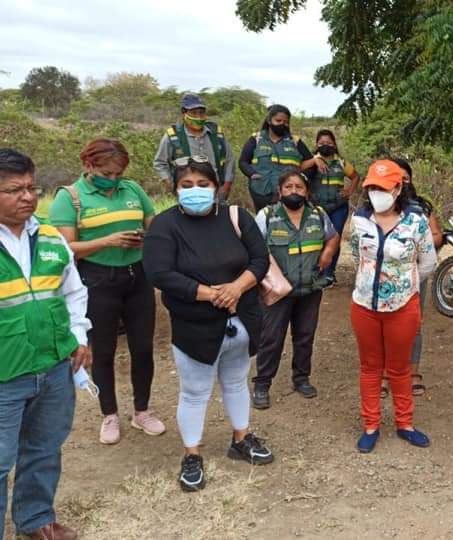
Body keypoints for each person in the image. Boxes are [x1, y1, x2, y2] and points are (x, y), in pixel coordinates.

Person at [143, 157, 273, 492]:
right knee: (195, 392)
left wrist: (236, 288)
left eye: (203, 184)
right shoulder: (164, 225)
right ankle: (192, 455)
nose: (195, 190)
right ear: (175, 189)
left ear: (216, 186)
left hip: (241, 320)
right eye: (186, 185)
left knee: (236, 382)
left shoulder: (236, 217)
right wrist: (210, 294)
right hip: (194, 327)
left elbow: (260, 259)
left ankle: (241, 438)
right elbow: (160, 274)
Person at [0, 148, 91, 540]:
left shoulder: (51, 237)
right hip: (5, 373)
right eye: (14, 190)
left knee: (44, 446)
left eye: (31, 188)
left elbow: (73, 292)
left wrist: (79, 336)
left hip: (54, 368)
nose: (27, 197)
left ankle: (36, 518)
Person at [49, 138, 165, 445]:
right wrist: (108, 241)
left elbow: (154, 226)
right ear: (88, 165)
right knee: (103, 351)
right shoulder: (70, 198)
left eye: (118, 173)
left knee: (143, 348)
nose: (113, 179)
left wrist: (146, 238)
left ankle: (142, 411)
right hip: (98, 280)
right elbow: (66, 249)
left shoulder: (133, 190)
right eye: (106, 173)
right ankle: (109, 414)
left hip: (138, 277)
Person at [349, 159, 437, 453]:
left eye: (384, 188)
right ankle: (371, 425)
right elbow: (356, 257)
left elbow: (428, 262)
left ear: (398, 188)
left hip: (402, 307)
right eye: (372, 187)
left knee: (400, 368)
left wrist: (403, 285)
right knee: (370, 367)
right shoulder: (359, 220)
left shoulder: (416, 222)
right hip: (364, 306)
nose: (377, 193)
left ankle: (405, 424)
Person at [252, 171, 339, 409]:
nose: (294, 191)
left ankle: (301, 378)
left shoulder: (318, 214)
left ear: (307, 191)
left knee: (305, 336)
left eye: (299, 187)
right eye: (288, 187)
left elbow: (333, 237)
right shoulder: (267, 216)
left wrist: (327, 252)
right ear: (280, 191)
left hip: (310, 288)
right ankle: (262, 384)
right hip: (278, 291)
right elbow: (252, 247)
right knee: (271, 338)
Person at [389, 157, 443, 396]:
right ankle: (385, 374)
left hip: (416, 274)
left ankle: (412, 373)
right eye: (397, 178)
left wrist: (423, 243)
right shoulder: (377, 206)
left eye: (406, 178)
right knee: (383, 324)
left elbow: (437, 235)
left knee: (413, 324)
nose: (402, 182)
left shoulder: (422, 207)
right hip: (386, 276)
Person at [238, 104, 319, 211]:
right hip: (261, 191)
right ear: (269, 120)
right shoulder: (256, 139)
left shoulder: (295, 141)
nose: (282, 124)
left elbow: (312, 164)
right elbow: (243, 162)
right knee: (264, 219)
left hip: (289, 194)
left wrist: (301, 179)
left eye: (286, 122)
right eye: (278, 120)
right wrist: (252, 174)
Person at [152, 94, 234, 199]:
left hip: (215, 190)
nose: (198, 117)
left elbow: (229, 160)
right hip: (187, 193)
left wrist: (226, 186)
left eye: (201, 112)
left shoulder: (216, 133)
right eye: (194, 113)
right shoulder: (173, 136)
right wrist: (172, 186)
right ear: (184, 113)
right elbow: (160, 163)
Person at [305, 129, 361, 284]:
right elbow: (298, 168)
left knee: (334, 239)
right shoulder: (311, 161)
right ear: (316, 144)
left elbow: (355, 176)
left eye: (329, 143)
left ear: (335, 145)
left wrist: (349, 191)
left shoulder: (341, 162)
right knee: (316, 238)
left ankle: (330, 273)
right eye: (322, 143)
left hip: (338, 207)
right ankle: (317, 271)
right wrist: (314, 161)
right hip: (316, 208)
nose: (325, 145)